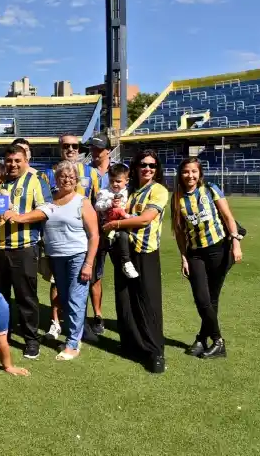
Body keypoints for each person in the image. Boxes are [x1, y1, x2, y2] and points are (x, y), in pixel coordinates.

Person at [102, 150, 169, 374]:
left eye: (152, 165)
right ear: (136, 167)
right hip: (124, 251)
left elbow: (145, 219)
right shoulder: (130, 190)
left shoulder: (158, 190)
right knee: (125, 299)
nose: (147, 168)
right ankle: (131, 344)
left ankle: (155, 351)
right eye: (143, 164)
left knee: (147, 301)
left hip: (145, 251)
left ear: (157, 169)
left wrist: (116, 226)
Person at [171, 157, 243, 359]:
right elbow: (178, 231)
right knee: (202, 299)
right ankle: (217, 340)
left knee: (211, 298)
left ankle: (203, 339)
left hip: (219, 249)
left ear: (199, 173)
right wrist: (183, 257)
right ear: (181, 174)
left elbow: (228, 217)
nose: (190, 175)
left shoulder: (211, 189)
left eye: (194, 171)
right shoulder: (176, 197)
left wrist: (236, 243)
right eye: (186, 171)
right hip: (195, 253)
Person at [0, 144, 52, 359]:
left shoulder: (35, 180)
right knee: (0, 297)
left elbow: (47, 209)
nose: (13, 164)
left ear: (25, 160)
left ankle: (31, 340)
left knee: (26, 297)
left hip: (25, 247)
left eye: (17, 160)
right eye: (9, 160)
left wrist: (19, 217)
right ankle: (3, 335)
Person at [44, 132, 101, 341]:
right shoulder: (48, 174)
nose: (70, 150)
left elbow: (100, 202)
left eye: (75, 146)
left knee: (88, 281)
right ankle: (56, 323)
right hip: (58, 242)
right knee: (57, 284)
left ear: (80, 149)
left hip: (85, 238)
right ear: (60, 148)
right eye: (66, 146)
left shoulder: (93, 174)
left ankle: (86, 324)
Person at [87, 132, 114, 334]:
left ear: (108, 150)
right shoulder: (86, 173)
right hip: (94, 232)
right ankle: (97, 315)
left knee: (126, 273)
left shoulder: (120, 171)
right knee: (94, 276)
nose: (95, 152)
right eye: (93, 148)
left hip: (119, 230)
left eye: (99, 149)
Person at [94, 163, 138, 278]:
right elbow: (97, 206)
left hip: (122, 226)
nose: (114, 184)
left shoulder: (129, 193)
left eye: (118, 181)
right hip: (106, 225)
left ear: (126, 180)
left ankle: (126, 263)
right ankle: (97, 274)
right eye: (112, 180)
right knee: (99, 260)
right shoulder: (104, 192)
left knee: (123, 238)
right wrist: (109, 203)